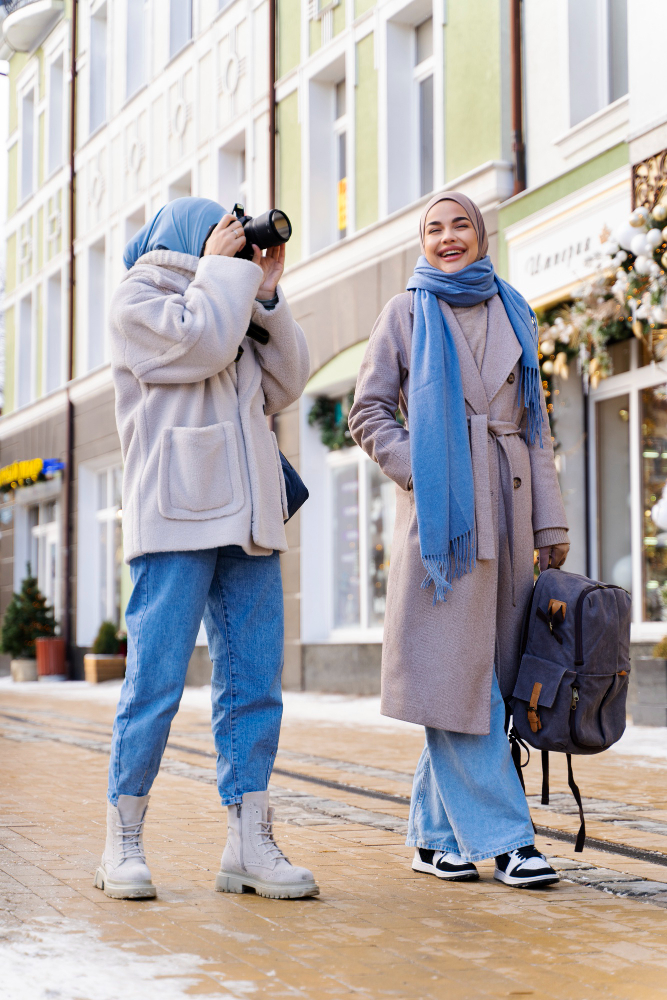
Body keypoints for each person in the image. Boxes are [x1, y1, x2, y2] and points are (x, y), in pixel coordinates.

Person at [94, 197, 318, 901]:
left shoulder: (228, 297)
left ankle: (248, 843)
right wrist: (225, 274)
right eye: (223, 224)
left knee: (254, 685)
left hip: (249, 515)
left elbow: (286, 383)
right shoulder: (140, 299)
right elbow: (200, 346)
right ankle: (121, 838)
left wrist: (270, 296)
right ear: (191, 236)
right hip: (176, 516)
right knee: (154, 684)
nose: (238, 235)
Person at [348, 193, 570, 889]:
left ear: (479, 234)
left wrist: (549, 521)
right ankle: (509, 841)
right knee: (453, 674)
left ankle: (432, 836)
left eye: (459, 225)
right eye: (433, 228)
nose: (448, 237)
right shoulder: (406, 311)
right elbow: (367, 411)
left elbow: (533, 424)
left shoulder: (513, 308)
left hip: (508, 512)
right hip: (444, 526)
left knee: (486, 681)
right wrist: (424, 468)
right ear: (421, 241)